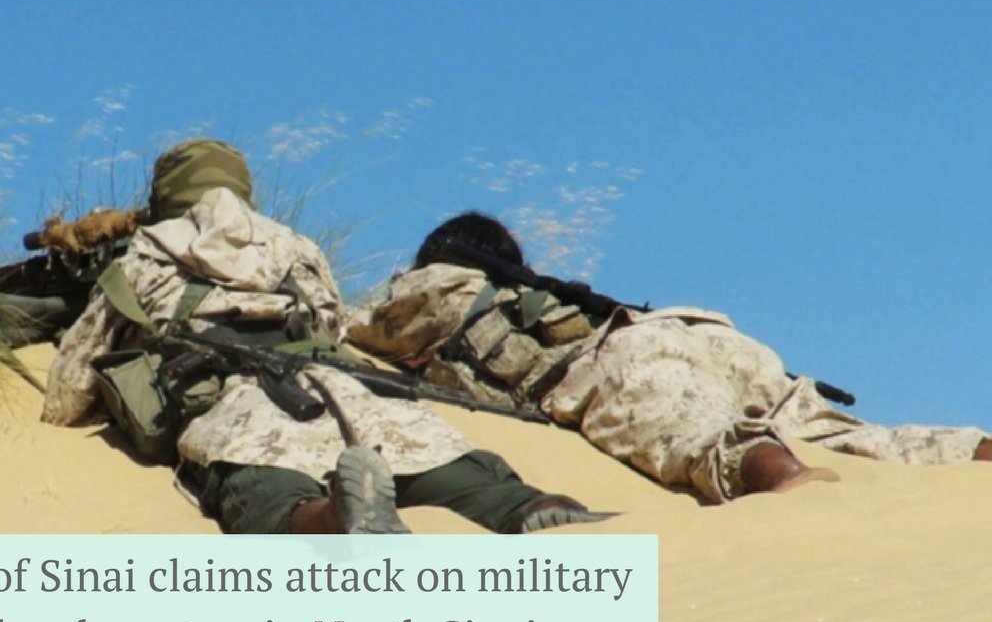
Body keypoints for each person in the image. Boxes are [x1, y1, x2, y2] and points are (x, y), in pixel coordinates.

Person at [42, 143, 612, 534]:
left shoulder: (146, 253)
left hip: (231, 399)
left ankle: (328, 518)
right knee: (429, 456)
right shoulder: (295, 247)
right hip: (342, 386)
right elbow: (332, 324)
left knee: (262, 484)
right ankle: (527, 506)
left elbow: (71, 387)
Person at [345, 211, 992, 504]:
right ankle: (975, 454)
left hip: (620, 357)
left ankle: (783, 482)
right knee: (841, 431)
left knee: (693, 434)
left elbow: (353, 328)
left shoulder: (443, 283)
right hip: (694, 330)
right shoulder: (539, 293)